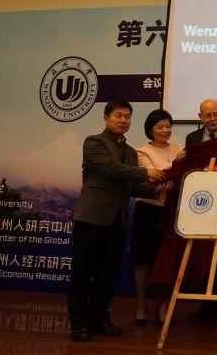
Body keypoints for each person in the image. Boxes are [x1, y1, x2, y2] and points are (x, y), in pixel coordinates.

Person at [68, 99, 171, 342]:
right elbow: (111, 169)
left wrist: (157, 190)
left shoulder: (130, 151)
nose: (123, 120)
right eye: (118, 115)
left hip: (118, 220)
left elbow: (131, 186)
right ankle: (79, 323)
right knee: (83, 273)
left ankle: (99, 318)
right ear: (106, 117)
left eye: (127, 116)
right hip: (91, 218)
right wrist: (146, 173)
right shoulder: (94, 142)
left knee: (108, 272)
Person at [131, 108, 184, 326]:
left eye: (168, 126)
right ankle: (141, 305)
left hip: (171, 212)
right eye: (160, 127)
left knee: (168, 261)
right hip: (148, 211)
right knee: (143, 260)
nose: (165, 130)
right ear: (150, 130)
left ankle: (163, 305)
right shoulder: (141, 152)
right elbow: (155, 177)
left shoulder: (180, 150)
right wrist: (175, 167)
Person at [184, 98, 217, 323]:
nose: (213, 119)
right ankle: (207, 304)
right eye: (208, 115)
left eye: (216, 114)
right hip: (202, 204)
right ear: (200, 117)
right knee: (203, 255)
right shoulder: (192, 138)